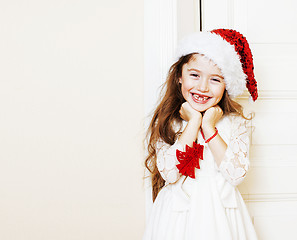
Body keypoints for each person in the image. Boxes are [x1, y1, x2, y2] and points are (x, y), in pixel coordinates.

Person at [143, 29, 258, 240]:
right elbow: (170, 173)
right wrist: (194, 122)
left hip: (222, 214)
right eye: (194, 75)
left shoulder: (235, 123)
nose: (203, 87)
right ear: (179, 76)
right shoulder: (169, 120)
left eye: (215, 80)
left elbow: (236, 174)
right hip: (177, 217)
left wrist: (209, 127)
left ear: (227, 86)